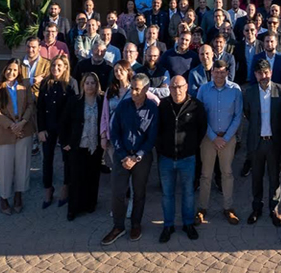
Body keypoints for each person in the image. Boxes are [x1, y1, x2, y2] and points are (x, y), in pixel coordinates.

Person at [101, 74, 159, 246]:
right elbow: (115, 132)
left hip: (142, 157)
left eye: (137, 89)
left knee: (139, 193)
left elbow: (152, 136)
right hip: (122, 156)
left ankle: (136, 224)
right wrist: (124, 154)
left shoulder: (152, 108)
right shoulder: (123, 106)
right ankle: (118, 226)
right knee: (117, 192)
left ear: (147, 90)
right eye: (131, 88)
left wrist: (137, 156)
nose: (133, 92)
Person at [157, 75, 207, 242]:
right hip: (166, 158)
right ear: (169, 89)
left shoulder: (196, 106)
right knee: (167, 194)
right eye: (173, 87)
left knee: (188, 193)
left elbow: (202, 129)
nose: (177, 90)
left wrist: (191, 146)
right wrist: (162, 147)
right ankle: (168, 225)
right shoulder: (163, 105)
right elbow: (157, 129)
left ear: (186, 87)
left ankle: (188, 224)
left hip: (187, 158)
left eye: (180, 87)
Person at [195, 60, 243, 226]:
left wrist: (226, 137)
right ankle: (202, 208)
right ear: (212, 72)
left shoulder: (235, 90)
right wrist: (214, 137)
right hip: (209, 138)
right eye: (216, 72)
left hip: (228, 139)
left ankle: (228, 208)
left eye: (223, 72)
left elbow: (238, 116)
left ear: (227, 73)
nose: (219, 75)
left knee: (227, 173)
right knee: (206, 174)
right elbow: (199, 115)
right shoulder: (204, 89)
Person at [244, 60, 281, 227]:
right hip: (257, 143)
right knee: (256, 177)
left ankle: (274, 209)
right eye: (259, 73)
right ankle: (256, 208)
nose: (263, 76)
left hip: (274, 142)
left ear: (270, 72)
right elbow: (248, 114)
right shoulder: (249, 93)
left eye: (266, 72)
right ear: (255, 75)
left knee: (274, 177)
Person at [0, 60, 35, 215]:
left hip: (23, 131)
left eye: (15, 70)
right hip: (3, 133)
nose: (11, 73)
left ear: (19, 72)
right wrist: (11, 125)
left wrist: (22, 123)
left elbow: (30, 105)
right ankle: (4, 197)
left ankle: (18, 195)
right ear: (4, 70)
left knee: (22, 165)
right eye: (9, 69)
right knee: (4, 167)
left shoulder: (25, 86)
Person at [59, 73, 104, 221]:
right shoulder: (75, 101)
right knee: (76, 177)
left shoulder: (101, 100)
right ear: (82, 85)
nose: (90, 86)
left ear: (97, 85)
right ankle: (73, 209)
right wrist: (65, 142)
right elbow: (64, 122)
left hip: (95, 146)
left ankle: (90, 204)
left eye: (93, 83)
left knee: (92, 176)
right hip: (77, 145)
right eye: (87, 83)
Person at [37, 56, 78, 209]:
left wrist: (70, 136)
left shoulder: (71, 84)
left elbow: (73, 111)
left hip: (65, 129)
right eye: (53, 65)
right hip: (48, 128)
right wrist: (40, 129)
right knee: (47, 159)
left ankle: (66, 187)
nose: (56, 68)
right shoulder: (45, 83)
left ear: (65, 67)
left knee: (66, 160)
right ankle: (48, 188)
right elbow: (40, 108)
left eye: (59, 65)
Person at [234, 22, 263, 86]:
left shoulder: (262, 45)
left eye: (252, 30)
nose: (249, 32)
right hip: (243, 82)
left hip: (258, 82)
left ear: (256, 31)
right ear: (243, 32)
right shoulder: (238, 46)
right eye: (247, 30)